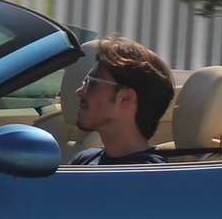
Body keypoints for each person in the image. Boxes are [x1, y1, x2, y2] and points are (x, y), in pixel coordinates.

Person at [68, 36, 172, 165]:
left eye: (92, 84)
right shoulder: (84, 159)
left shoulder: (143, 175)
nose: (79, 92)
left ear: (125, 98)